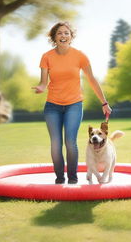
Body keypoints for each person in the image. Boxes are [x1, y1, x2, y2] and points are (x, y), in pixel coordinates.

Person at [32, 21, 112, 184]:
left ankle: (73, 178)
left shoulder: (79, 56)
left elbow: (91, 79)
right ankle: (60, 178)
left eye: (66, 33)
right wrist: (41, 87)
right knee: (56, 143)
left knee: (70, 141)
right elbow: (43, 81)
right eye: (60, 33)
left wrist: (104, 102)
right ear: (54, 37)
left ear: (71, 37)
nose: (63, 35)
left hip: (74, 105)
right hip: (52, 106)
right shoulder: (47, 56)